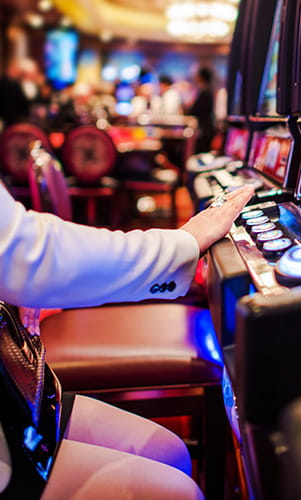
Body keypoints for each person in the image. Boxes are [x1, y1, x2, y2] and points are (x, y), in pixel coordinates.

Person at [0, 181, 255, 498]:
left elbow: (24, 246)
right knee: (176, 492)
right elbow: (27, 255)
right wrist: (184, 242)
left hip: (18, 388)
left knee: (171, 450)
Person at [188, 66, 215, 154]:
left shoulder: (205, 93)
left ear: (201, 77)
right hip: (204, 128)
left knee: (202, 152)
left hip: (204, 129)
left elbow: (196, 110)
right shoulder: (205, 91)